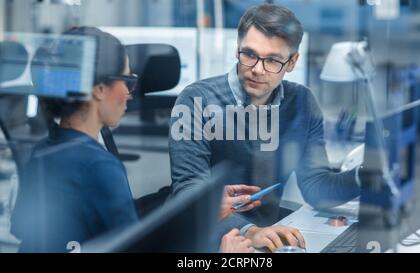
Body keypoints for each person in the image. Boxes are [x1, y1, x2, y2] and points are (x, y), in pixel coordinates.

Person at [10, 27, 252, 253]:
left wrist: (202, 208)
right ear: (99, 89)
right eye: (126, 81)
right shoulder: (98, 166)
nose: (129, 92)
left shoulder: (45, 151)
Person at [169, 4, 360, 252]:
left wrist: (364, 176)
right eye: (249, 54)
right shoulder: (196, 100)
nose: (257, 69)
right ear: (237, 49)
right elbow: (189, 194)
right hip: (211, 242)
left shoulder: (301, 102)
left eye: (272, 60)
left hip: (268, 239)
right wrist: (251, 232)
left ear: (292, 62)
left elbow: (316, 186)